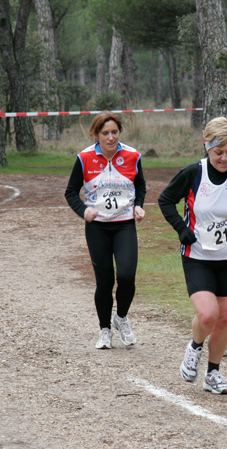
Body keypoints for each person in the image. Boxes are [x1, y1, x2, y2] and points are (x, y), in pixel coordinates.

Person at [158, 117, 227, 394]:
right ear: (207, 148)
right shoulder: (193, 173)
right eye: (219, 152)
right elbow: (165, 200)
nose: (224, 158)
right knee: (207, 315)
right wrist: (182, 229)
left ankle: (213, 374)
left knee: (224, 319)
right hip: (198, 254)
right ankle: (194, 347)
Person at [65, 111, 146, 349]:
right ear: (95, 134)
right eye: (105, 133)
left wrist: (138, 205)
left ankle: (120, 318)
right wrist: (84, 211)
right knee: (105, 281)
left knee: (126, 276)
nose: (110, 138)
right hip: (98, 227)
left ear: (119, 133)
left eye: (114, 132)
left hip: (124, 224)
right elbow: (70, 192)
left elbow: (140, 185)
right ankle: (104, 330)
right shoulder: (84, 158)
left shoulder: (133, 155)